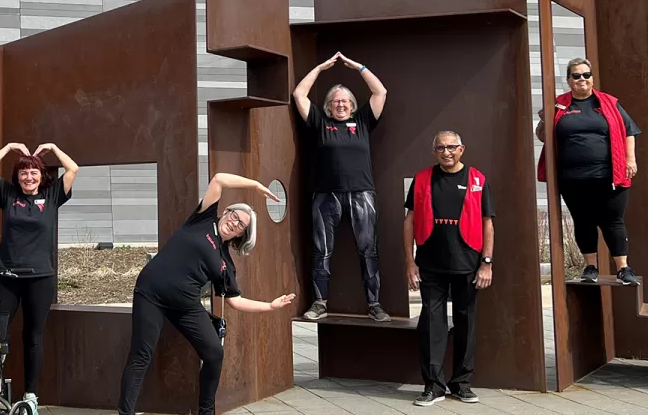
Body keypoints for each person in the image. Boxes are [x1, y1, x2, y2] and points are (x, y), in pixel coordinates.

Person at [117, 173, 296, 415]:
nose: (233, 222)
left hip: (185, 306)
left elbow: (235, 300)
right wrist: (255, 185)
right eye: (233, 214)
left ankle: (206, 412)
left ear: (240, 235)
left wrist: (270, 306)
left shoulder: (225, 263)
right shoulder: (203, 219)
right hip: (151, 294)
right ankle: (125, 412)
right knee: (141, 355)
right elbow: (219, 179)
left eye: (240, 224)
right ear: (225, 212)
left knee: (214, 353)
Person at [0, 141, 80, 411]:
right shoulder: (8, 195)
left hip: (40, 279)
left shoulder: (52, 196)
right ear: (18, 177)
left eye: (33, 172)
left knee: (32, 336)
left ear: (41, 176)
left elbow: (73, 168)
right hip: (6, 278)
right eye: (24, 172)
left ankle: (31, 396)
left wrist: (53, 148)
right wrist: (11, 148)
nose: (28, 177)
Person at [293, 51, 388, 321]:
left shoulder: (362, 122)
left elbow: (380, 91)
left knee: (368, 249)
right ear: (328, 106)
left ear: (353, 104)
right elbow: (299, 95)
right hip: (325, 195)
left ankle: (374, 304)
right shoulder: (320, 123)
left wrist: (357, 66)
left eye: (345, 101)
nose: (341, 105)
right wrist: (320, 68)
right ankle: (320, 303)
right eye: (336, 102)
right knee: (322, 251)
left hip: (362, 194)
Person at [403, 131, 494, 407]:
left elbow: (488, 223)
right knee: (431, 324)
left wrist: (486, 263)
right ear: (434, 151)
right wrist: (410, 261)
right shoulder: (421, 180)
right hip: (431, 263)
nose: (446, 152)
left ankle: (461, 384)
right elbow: (409, 222)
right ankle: (433, 386)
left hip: (468, 264)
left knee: (466, 323)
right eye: (441, 148)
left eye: (451, 147)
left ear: (462, 149)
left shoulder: (478, 179)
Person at [535, 57, 641, 285]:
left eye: (586, 75)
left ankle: (623, 268)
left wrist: (630, 160)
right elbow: (543, 137)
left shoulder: (609, 103)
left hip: (609, 175)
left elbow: (628, 131)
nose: (581, 79)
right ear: (568, 80)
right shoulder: (559, 105)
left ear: (592, 78)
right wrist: (544, 121)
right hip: (573, 178)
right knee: (583, 221)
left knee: (613, 221)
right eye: (576, 75)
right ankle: (590, 267)